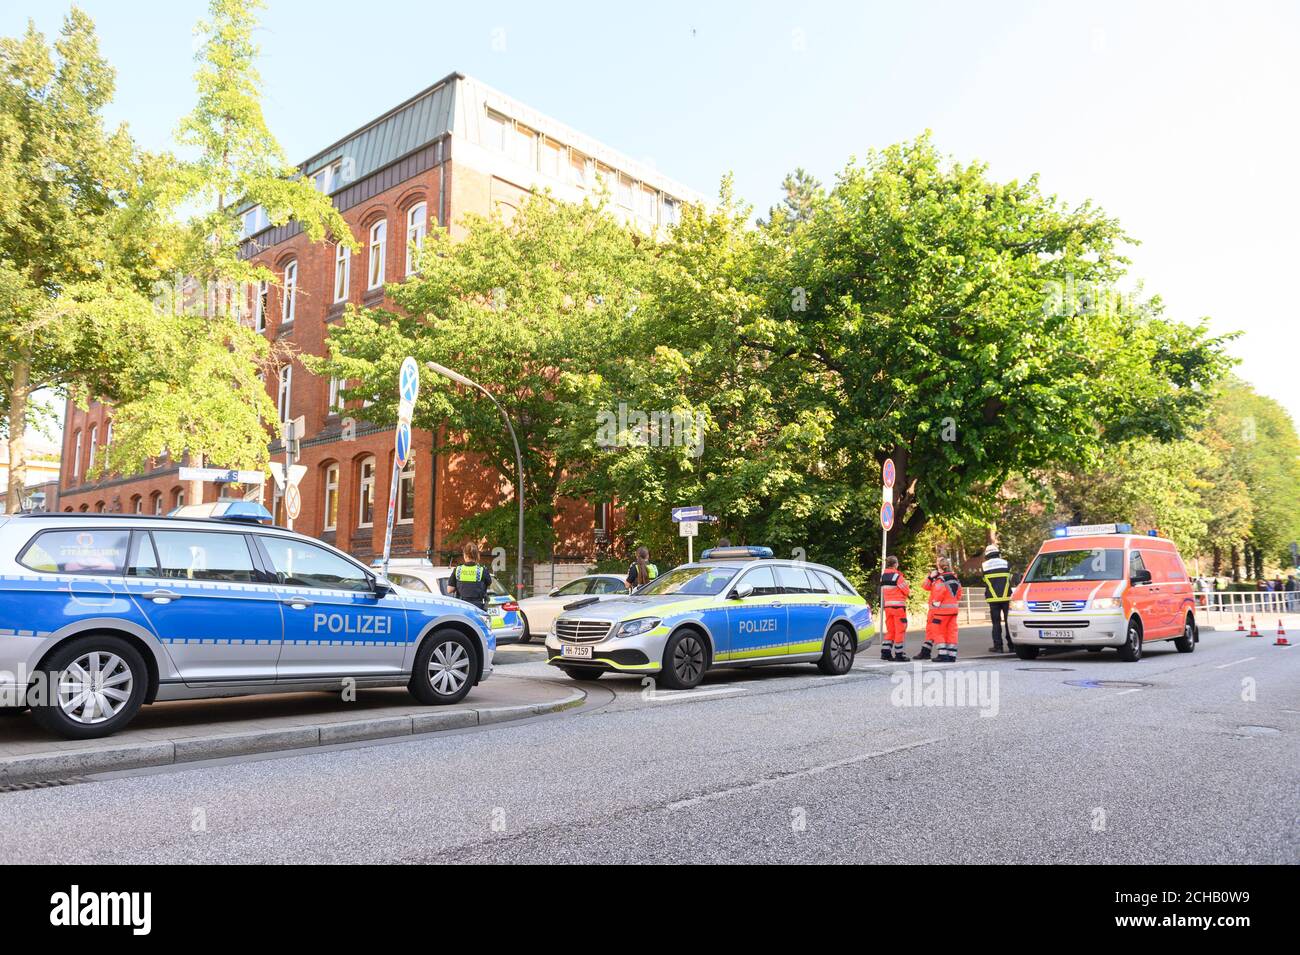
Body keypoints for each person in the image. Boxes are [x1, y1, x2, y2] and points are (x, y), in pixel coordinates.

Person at [919, 557, 962, 662]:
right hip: (952, 610)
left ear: (940, 566)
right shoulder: (954, 578)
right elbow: (959, 594)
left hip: (940, 610)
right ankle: (951, 655)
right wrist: (930, 577)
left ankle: (942, 654)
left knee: (937, 631)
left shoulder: (940, 579)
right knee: (950, 632)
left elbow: (939, 592)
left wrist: (935, 603)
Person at [981, 544, 1014, 653]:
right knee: (1008, 622)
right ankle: (1012, 646)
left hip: (993, 599)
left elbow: (984, 580)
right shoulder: (1006, 563)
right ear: (997, 553)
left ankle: (998, 646)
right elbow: (1010, 578)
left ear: (987, 554)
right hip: (1007, 598)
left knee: (996, 623)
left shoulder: (984, 565)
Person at [879, 556, 910, 661]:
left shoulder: (883, 576)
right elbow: (906, 590)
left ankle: (885, 653)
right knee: (900, 630)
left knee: (890, 630)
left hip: (888, 607)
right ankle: (899, 654)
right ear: (895, 564)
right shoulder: (897, 576)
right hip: (898, 607)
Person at [451, 541, 493, 610]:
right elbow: (489, 583)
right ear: (477, 555)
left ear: (464, 555)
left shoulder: (458, 569)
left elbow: (449, 589)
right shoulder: (482, 570)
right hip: (477, 607)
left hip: (461, 606)